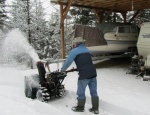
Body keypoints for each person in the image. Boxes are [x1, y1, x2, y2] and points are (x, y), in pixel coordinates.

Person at [61, 37, 99, 114]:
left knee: (80, 91)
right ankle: (95, 108)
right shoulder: (86, 49)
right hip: (93, 73)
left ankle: (80, 107)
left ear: (76, 43)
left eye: (74, 43)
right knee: (93, 91)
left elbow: (68, 62)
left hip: (84, 74)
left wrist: (62, 70)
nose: (73, 44)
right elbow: (86, 60)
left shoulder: (74, 51)